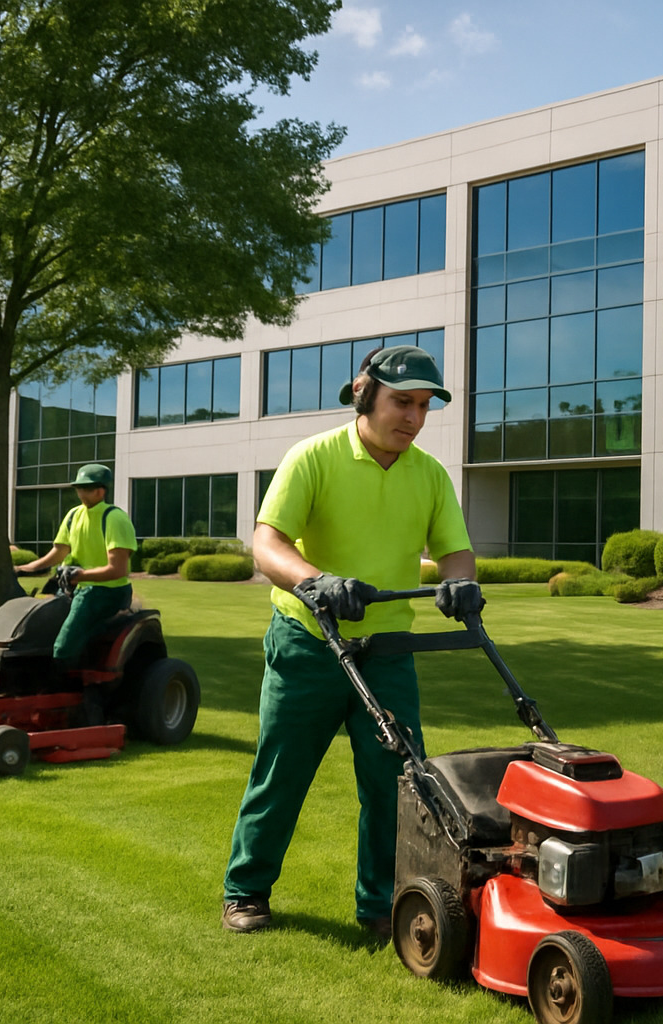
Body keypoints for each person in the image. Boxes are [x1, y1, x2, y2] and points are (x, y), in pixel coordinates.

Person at [221, 345, 480, 940]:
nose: (413, 418)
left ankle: (381, 905)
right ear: (365, 394)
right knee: (281, 774)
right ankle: (245, 891)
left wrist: (461, 583)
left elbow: (453, 549)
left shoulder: (430, 475)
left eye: (423, 406)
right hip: (308, 643)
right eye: (401, 402)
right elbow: (267, 543)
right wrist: (318, 582)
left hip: (387, 649)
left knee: (399, 783)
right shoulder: (312, 457)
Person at [15, 463, 137, 665]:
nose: (81, 493)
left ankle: (65, 689)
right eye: (79, 488)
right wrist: (23, 568)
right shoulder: (73, 515)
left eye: (86, 489)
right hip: (74, 588)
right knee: (36, 630)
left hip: (106, 593)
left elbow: (118, 570)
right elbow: (58, 553)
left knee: (63, 647)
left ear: (101, 490)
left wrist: (80, 576)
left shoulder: (115, 518)